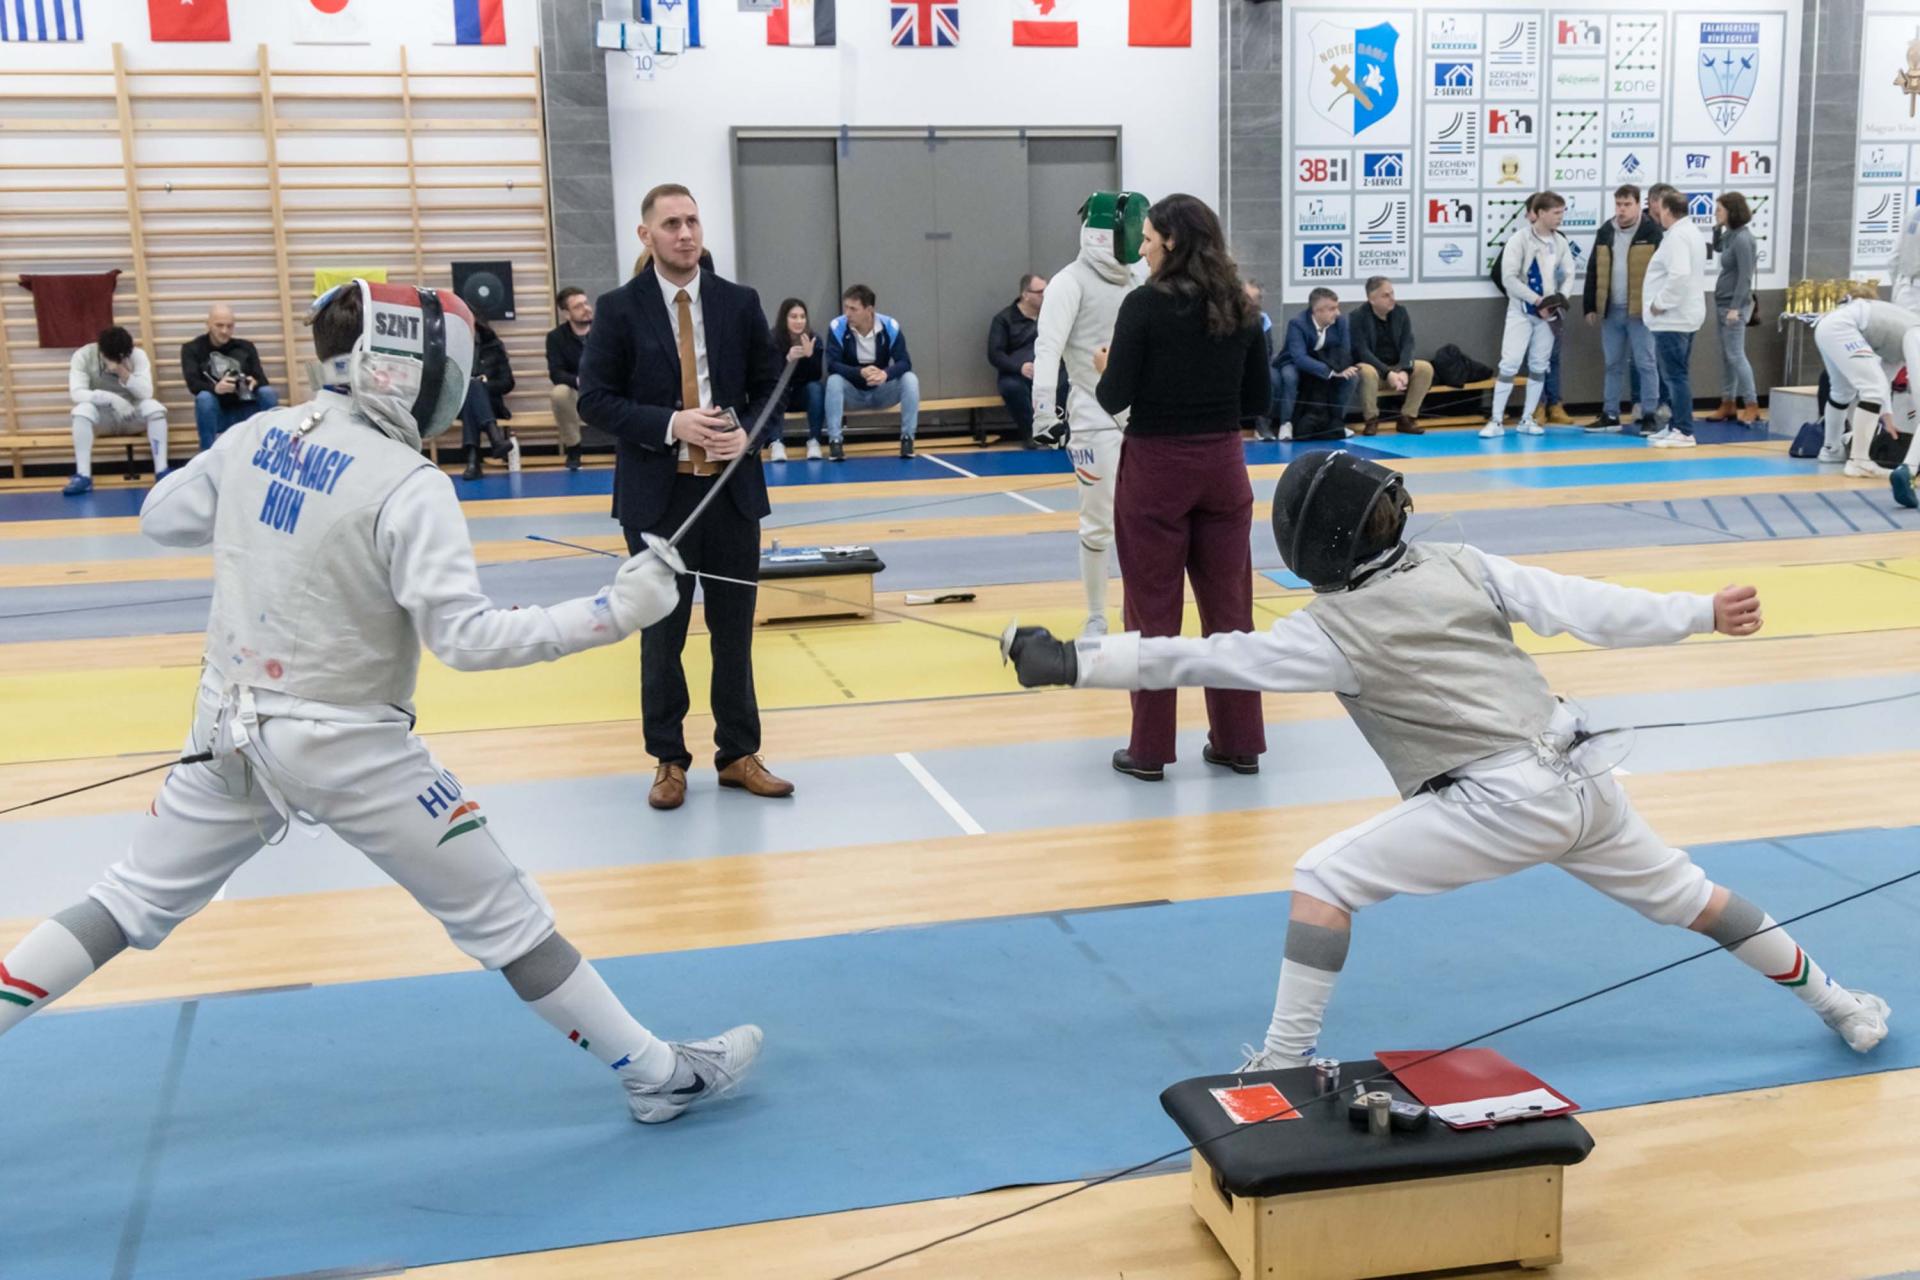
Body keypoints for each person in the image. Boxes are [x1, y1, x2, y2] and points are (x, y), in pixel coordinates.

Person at [0, 279, 763, 1124]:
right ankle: (658, 1076)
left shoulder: (259, 433)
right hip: (351, 749)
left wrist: (263, 465)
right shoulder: (408, 483)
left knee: (123, 901)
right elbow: (466, 640)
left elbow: (162, 517)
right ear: (401, 368)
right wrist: (615, 611)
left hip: (226, 731)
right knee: (506, 917)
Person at [1005, 450, 1890, 1070]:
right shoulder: (1462, 564)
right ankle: (1844, 1006)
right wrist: (1699, 613)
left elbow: (1200, 656)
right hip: (1588, 776)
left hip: (1502, 799)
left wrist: (1073, 661)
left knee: (1323, 878)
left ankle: (1282, 1062)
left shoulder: (1328, 631)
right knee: (1699, 900)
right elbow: (1583, 604)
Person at [577, 183, 795, 810]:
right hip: (658, 499)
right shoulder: (619, 309)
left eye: (693, 221)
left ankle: (739, 753)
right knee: (661, 635)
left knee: (734, 633)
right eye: (671, 223)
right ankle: (668, 759)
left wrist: (750, 435)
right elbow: (594, 400)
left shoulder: (738, 302)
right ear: (646, 235)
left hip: (730, 495)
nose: (685, 233)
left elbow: (771, 389)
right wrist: (672, 424)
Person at [1092, 191, 1270, 781]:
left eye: (1146, 239)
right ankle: (1240, 742)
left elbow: (1114, 395)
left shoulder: (1143, 304)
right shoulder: (1242, 305)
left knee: (1151, 613)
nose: (1141, 250)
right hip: (1224, 466)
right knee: (1231, 611)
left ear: (1171, 240)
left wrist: (1106, 366)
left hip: (1157, 468)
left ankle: (1148, 752)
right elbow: (1259, 399)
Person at [1032, 190, 1148, 637]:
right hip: (1092, 414)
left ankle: (1138, 612)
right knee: (1099, 523)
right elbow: (1048, 347)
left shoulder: (1138, 280)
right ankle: (1097, 615)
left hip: (1141, 415)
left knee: (1144, 519)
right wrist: (1044, 413)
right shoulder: (1069, 282)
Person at [1811, 294, 1920, 505]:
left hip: (1828, 326)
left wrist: (1887, 415)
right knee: (1872, 389)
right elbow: (1886, 386)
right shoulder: (1916, 334)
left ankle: (1831, 450)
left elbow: (1885, 378)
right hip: (1843, 326)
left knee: (1842, 391)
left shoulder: (1900, 345)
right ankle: (1859, 461)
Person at [1483, 191, 1574, 439]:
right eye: (1556, 213)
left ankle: (1528, 417)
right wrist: (1536, 300)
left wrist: (1559, 299)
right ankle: (1496, 420)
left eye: (1562, 212)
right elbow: (1509, 278)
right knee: (1510, 363)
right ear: (1540, 213)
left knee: (1539, 365)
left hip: (1548, 315)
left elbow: (1569, 274)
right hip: (1521, 311)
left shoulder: (1560, 242)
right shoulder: (1518, 240)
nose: (1560, 218)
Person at [1583, 184, 1663, 434]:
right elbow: (1593, 268)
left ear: (1638, 205)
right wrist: (1590, 305)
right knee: (1612, 363)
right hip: (1612, 309)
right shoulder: (1606, 231)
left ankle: (1649, 414)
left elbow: (1664, 271)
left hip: (1640, 311)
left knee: (1646, 363)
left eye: (1627, 204)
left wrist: (1658, 303)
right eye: (1618, 204)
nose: (1622, 209)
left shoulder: (1652, 232)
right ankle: (1610, 414)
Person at [65, 326, 169, 497]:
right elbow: (77, 393)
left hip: (131, 415)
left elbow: (146, 393)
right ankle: (83, 476)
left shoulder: (137, 355)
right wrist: (110, 398)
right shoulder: (83, 355)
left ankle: (161, 471)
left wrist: (123, 372)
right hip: (103, 418)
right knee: (81, 411)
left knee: (155, 408)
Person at [824, 284, 921, 460]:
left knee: (910, 379)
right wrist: (859, 372)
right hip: (852, 394)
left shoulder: (890, 326)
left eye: (853, 309)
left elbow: (905, 362)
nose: (847, 313)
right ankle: (835, 442)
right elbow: (832, 365)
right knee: (834, 381)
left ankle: (907, 439)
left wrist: (885, 374)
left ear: (869, 310)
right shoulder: (837, 326)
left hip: (882, 392)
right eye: (846, 307)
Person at [1643, 188, 1709, 448]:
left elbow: (1679, 274)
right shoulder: (1688, 232)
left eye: (1659, 207)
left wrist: (1660, 303)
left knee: (1675, 376)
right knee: (1676, 374)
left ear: (1667, 209)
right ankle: (1675, 425)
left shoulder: (1678, 236)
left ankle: (1683, 429)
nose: (1656, 211)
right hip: (1683, 316)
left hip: (1673, 318)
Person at [180, 304, 278, 451]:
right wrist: (216, 388)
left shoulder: (246, 347)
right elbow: (193, 385)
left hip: (246, 409)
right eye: (219, 325)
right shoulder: (192, 349)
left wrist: (254, 382)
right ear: (208, 325)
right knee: (204, 398)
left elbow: (262, 380)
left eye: (229, 326)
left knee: (267, 392)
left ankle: (273, 448)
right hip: (217, 413)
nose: (224, 331)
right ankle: (207, 455)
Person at [987, 274, 1064, 449]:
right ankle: (1031, 433)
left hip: (1051, 370)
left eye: (1047, 291)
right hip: (1018, 373)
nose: (1045, 295)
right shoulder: (1004, 319)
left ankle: (1060, 432)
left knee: (1067, 382)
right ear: (1025, 294)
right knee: (1011, 387)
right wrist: (1019, 367)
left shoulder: (1052, 315)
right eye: (1040, 292)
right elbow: (995, 354)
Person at [1349, 277, 1431, 435]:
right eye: (1385, 295)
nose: (1392, 298)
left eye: (1392, 293)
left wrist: (1405, 370)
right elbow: (1362, 352)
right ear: (1372, 299)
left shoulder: (1401, 312)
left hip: (1397, 368)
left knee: (1425, 368)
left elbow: (1408, 343)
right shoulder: (1357, 317)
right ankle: (1371, 419)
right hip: (1375, 370)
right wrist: (1388, 373)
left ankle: (1407, 418)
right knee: (1366, 371)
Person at [1708, 192, 1761, 425]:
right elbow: (1718, 247)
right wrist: (1716, 229)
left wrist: (1735, 308)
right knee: (1727, 357)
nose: (1716, 213)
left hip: (1733, 305)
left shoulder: (1743, 239)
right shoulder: (1731, 235)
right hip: (1722, 302)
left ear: (1732, 211)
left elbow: (1745, 277)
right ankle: (1728, 402)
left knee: (1737, 356)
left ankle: (1751, 404)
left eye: (1719, 209)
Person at [1278, 289, 1359, 441]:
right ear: (1317, 311)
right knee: (1289, 376)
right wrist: (1330, 372)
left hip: (1327, 361)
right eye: (1332, 309)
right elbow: (1299, 357)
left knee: (1351, 378)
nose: (1337, 313)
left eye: (1337, 307)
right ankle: (1286, 423)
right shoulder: (1297, 323)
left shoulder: (1340, 322)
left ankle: (1336, 423)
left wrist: (1341, 369)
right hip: (1295, 363)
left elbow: (1345, 350)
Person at [458, 319, 515, 481]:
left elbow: (508, 383)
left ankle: (473, 462)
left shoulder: (494, 347)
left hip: (491, 404)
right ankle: (495, 438)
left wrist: (486, 385)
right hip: (460, 404)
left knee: (474, 387)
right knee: (471, 387)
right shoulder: (453, 348)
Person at [771, 298, 826, 462]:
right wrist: (787, 359)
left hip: (801, 394)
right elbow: (768, 375)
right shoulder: (772, 339)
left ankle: (814, 441)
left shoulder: (814, 339)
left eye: (802, 317)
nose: (799, 321)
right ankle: (776, 442)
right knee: (773, 390)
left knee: (816, 388)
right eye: (793, 317)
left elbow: (816, 375)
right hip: (781, 394)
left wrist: (809, 357)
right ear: (784, 319)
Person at [546, 287, 593, 471]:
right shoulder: (556, 338)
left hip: (607, 388)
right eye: (578, 306)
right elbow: (556, 373)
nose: (586, 308)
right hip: (577, 390)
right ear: (566, 314)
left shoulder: (605, 330)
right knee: (559, 393)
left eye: (586, 303)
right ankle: (574, 447)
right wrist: (580, 381)